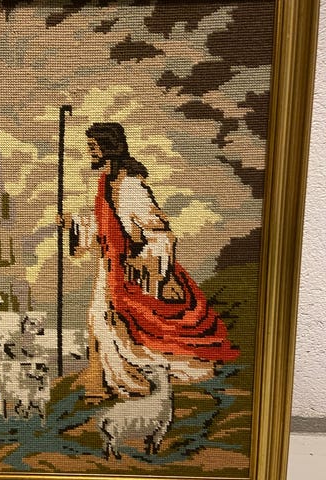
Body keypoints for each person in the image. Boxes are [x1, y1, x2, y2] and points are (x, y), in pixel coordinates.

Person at [68, 122, 239, 402]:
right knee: (99, 322)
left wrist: (146, 263)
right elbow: (105, 225)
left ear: (109, 148)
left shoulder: (131, 186)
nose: (90, 152)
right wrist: (75, 224)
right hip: (110, 267)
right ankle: (106, 382)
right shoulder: (105, 183)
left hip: (132, 268)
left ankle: (135, 381)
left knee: (130, 325)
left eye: (93, 147)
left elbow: (159, 231)